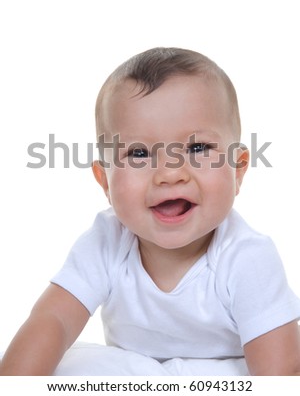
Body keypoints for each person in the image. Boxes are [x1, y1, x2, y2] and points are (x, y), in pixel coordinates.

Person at [1, 47, 300, 376]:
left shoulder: (247, 257)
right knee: (65, 362)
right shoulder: (107, 242)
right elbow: (53, 319)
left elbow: (279, 374)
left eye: (197, 148)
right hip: (136, 375)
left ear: (237, 169)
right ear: (105, 181)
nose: (170, 174)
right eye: (139, 153)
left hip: (223, 376)